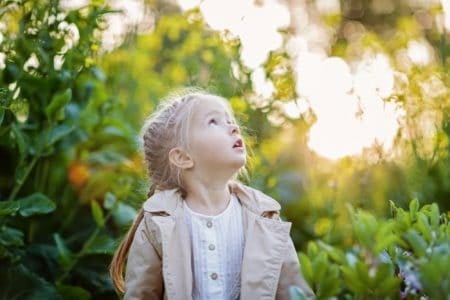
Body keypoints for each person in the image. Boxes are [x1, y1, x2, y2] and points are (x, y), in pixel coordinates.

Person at [109, 90, 314, 300]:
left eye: (230, 120)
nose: (234, 127)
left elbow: (295, 293)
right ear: (182, 157)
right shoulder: (157, 224)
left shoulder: (265, 217)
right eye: (213, 122)